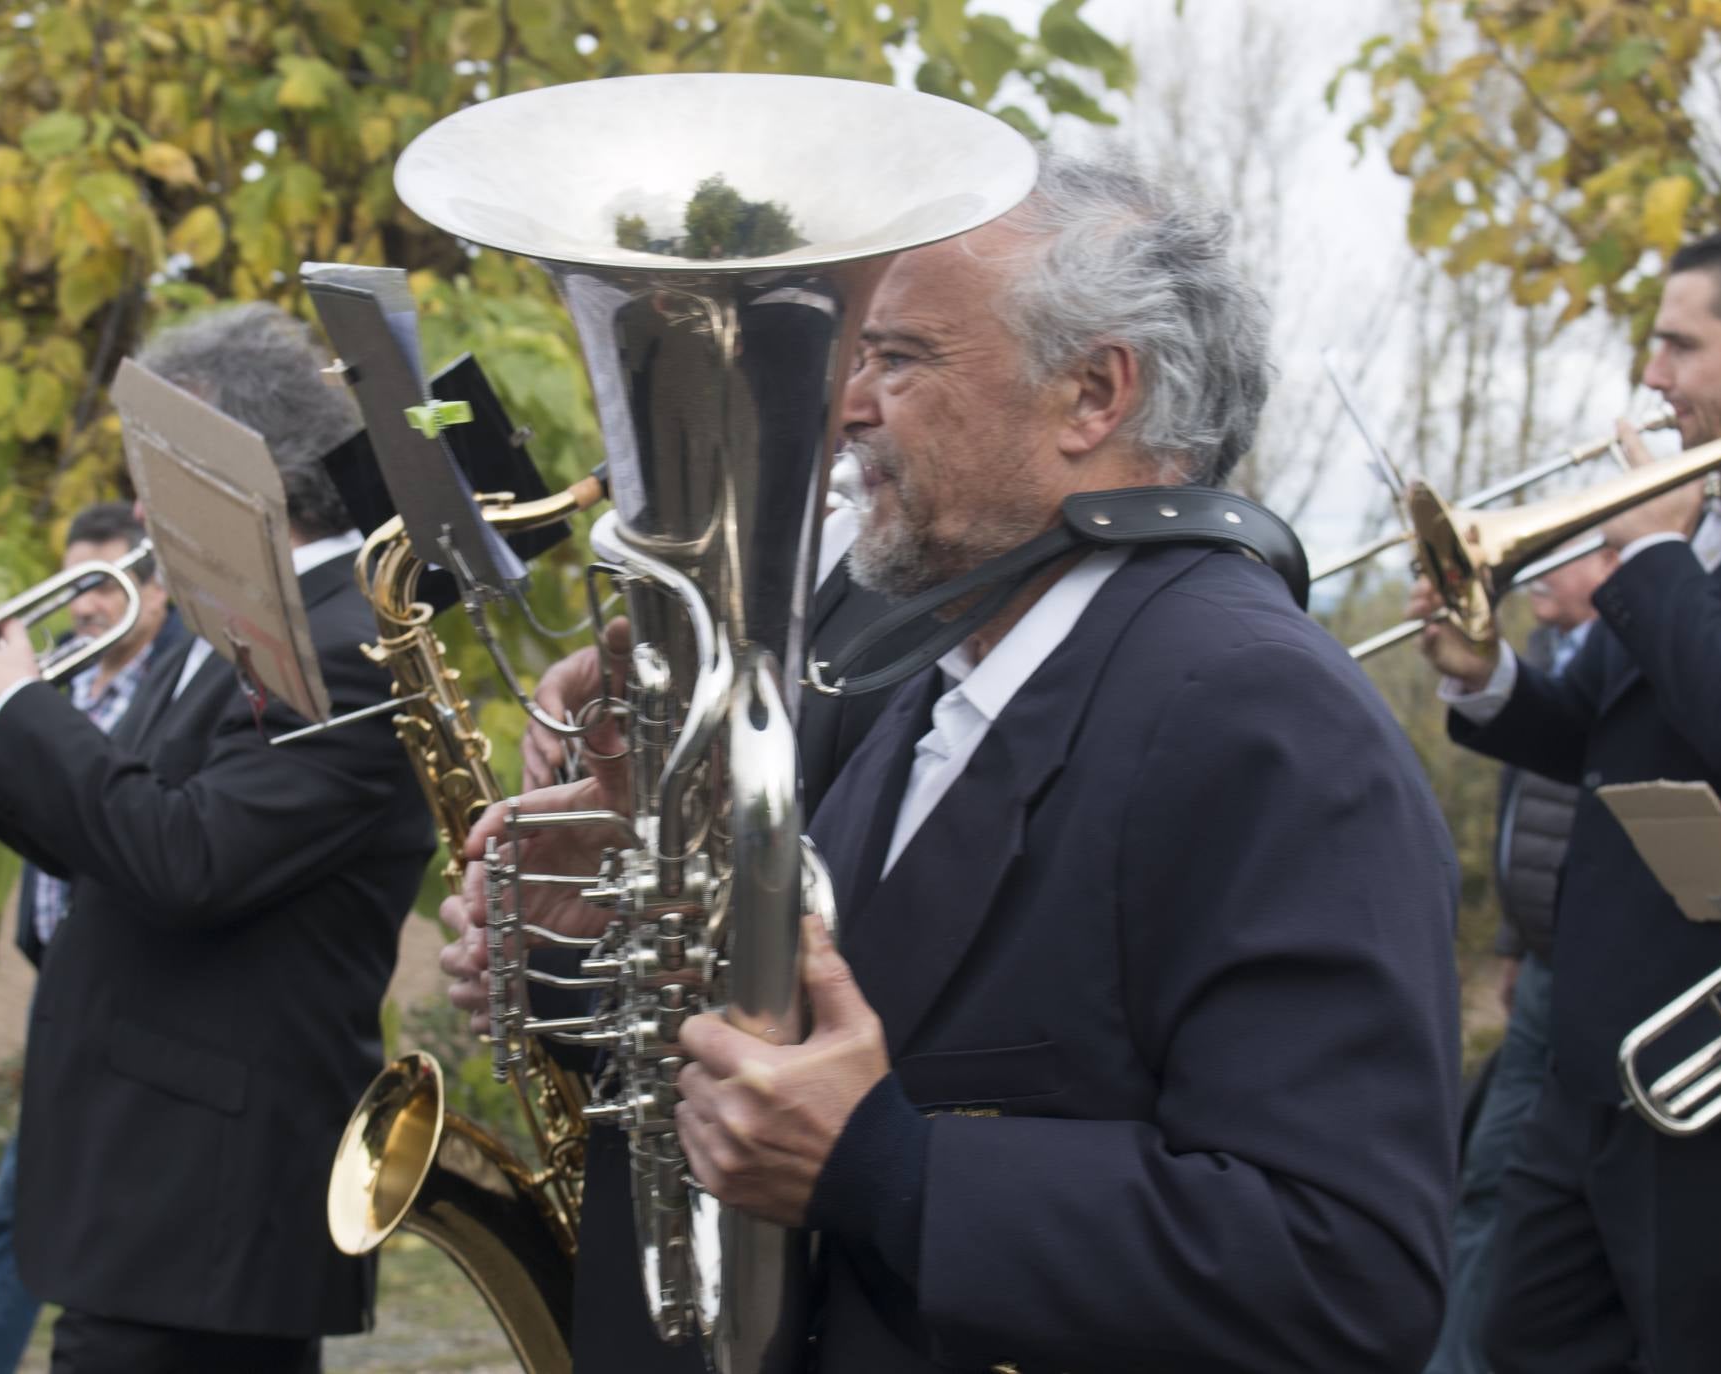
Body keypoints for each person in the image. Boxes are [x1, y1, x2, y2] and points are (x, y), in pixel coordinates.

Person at [443, 148, 1462, 1372]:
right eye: (860, 359)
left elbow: (1346, 1274)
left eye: (899, 359)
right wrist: (587, 955)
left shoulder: (1265, 714)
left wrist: (891, 1167)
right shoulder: (941, 671)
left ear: (1094, 395)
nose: (848, 408)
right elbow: (800, 1069)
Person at [0, 303, 434, 1373]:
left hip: (211, 1195)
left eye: (158, 462)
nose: (141, 501)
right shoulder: (236, 615)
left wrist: (20, 712)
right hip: (153, 1178)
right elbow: (117, 829)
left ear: (241, 463)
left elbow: (186, 858)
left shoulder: (342, 645)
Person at [510, 454, 937, 1373]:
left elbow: (862, 942)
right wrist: (562, 950)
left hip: (798, 1253)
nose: (861, 398)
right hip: (664, 1196)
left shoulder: (923, 596)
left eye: (895, 355)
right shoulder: (689, 600)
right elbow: (672, 935)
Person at [1411, 230, 1721, 1374]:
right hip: (1592, 1064)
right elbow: (1590, 730)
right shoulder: (1703, 536)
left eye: (1680, 347)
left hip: (1702, 1086)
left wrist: (1650, 564)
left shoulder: (1675, 551)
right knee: (1528, 1334)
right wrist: (1482, 674)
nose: (1653, 377)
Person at [0, 501, 183, 1374]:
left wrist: (13, 707)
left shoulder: (171, 686)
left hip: (142, 986)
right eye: (73, 584)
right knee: (27, 1205)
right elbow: (40, 818)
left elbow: (121, 817)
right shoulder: (68, 688)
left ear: (155, 595)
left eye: (100, 583)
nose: (83, 607)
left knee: (31, 1203)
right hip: (68, 979)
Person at [1422, 549, 1612, 1374]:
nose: (1544, 574)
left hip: (1603, 972)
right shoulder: (1556, 656)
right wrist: (1508, 939)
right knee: (1489, 1177)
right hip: (1544, 966)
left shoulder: (1653, 626)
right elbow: (1525, 799)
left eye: (1587, 553)